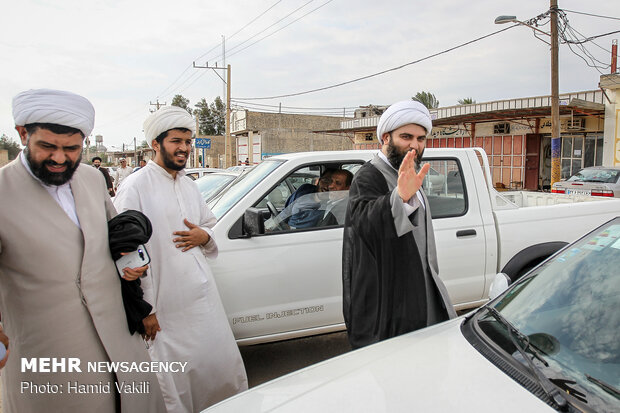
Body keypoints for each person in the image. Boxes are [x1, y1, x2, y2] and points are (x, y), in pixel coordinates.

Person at [0, 88, 165, 412]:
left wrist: (130, 269)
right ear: (22, 134)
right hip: (50, 358)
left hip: (121, 345)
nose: (60, 158)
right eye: (47, 146)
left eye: (72, 149)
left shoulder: (91, 179)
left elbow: (118, 243)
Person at [114, 106, 248, 412]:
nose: (184, 148)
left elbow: (209, 226)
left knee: (218, 368)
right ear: (156, 144)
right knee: (174, 382)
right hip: (163, 305)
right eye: (177, 141)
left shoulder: (189, 185)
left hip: (202, 300)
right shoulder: (135, 188)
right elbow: (124, 253)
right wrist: (144, 310)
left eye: (188, 141)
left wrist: (204, 236)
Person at [342, 100, 456, 350]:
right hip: (391, 296)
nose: (415, 145)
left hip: (421, 284)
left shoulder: (407, 174)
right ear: (385, 137)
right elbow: (364, 224)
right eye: (406, 137)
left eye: (421, 138)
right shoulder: (369, 175)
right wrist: (400, 198)